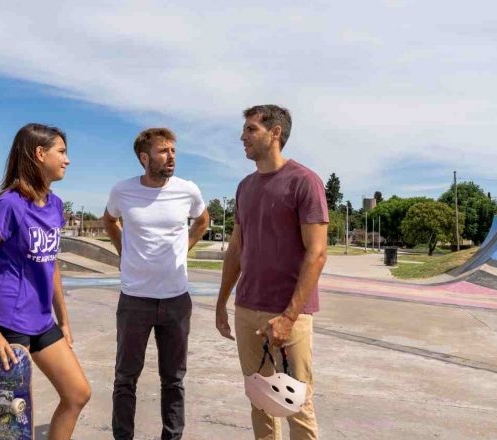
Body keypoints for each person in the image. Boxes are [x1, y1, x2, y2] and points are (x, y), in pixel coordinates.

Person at [0, 123, 91, 440]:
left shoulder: (56, 206)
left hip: (40, 319)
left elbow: (52, 264)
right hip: (5, 320)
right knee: (14, 419)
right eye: (61, 151)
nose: (67, 160)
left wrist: (63, 319)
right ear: (39, 153)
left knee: (77, 393)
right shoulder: (9, 206)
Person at [215, 105, 328, 440]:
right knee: (261, 399)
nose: (242, 137)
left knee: (296, 403)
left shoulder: (304, 182)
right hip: (247, 309)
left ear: (275, 133)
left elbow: (317, 253)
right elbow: (236, 250)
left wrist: (290, 317)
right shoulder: (244, 187)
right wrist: (222, 303)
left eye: (251, 130)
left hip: (288, 313)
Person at [103, 127, 210, 440]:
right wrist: (123, 250)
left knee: (174, 379)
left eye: (173, 151)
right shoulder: (122, 191)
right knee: (125, 378)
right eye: (163, 151)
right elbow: (109, 220)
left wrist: (185, 247)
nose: (171, 156)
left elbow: (203, 220)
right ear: (144, 157)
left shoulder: (188, 190)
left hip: (176, 299)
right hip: (135, 299)